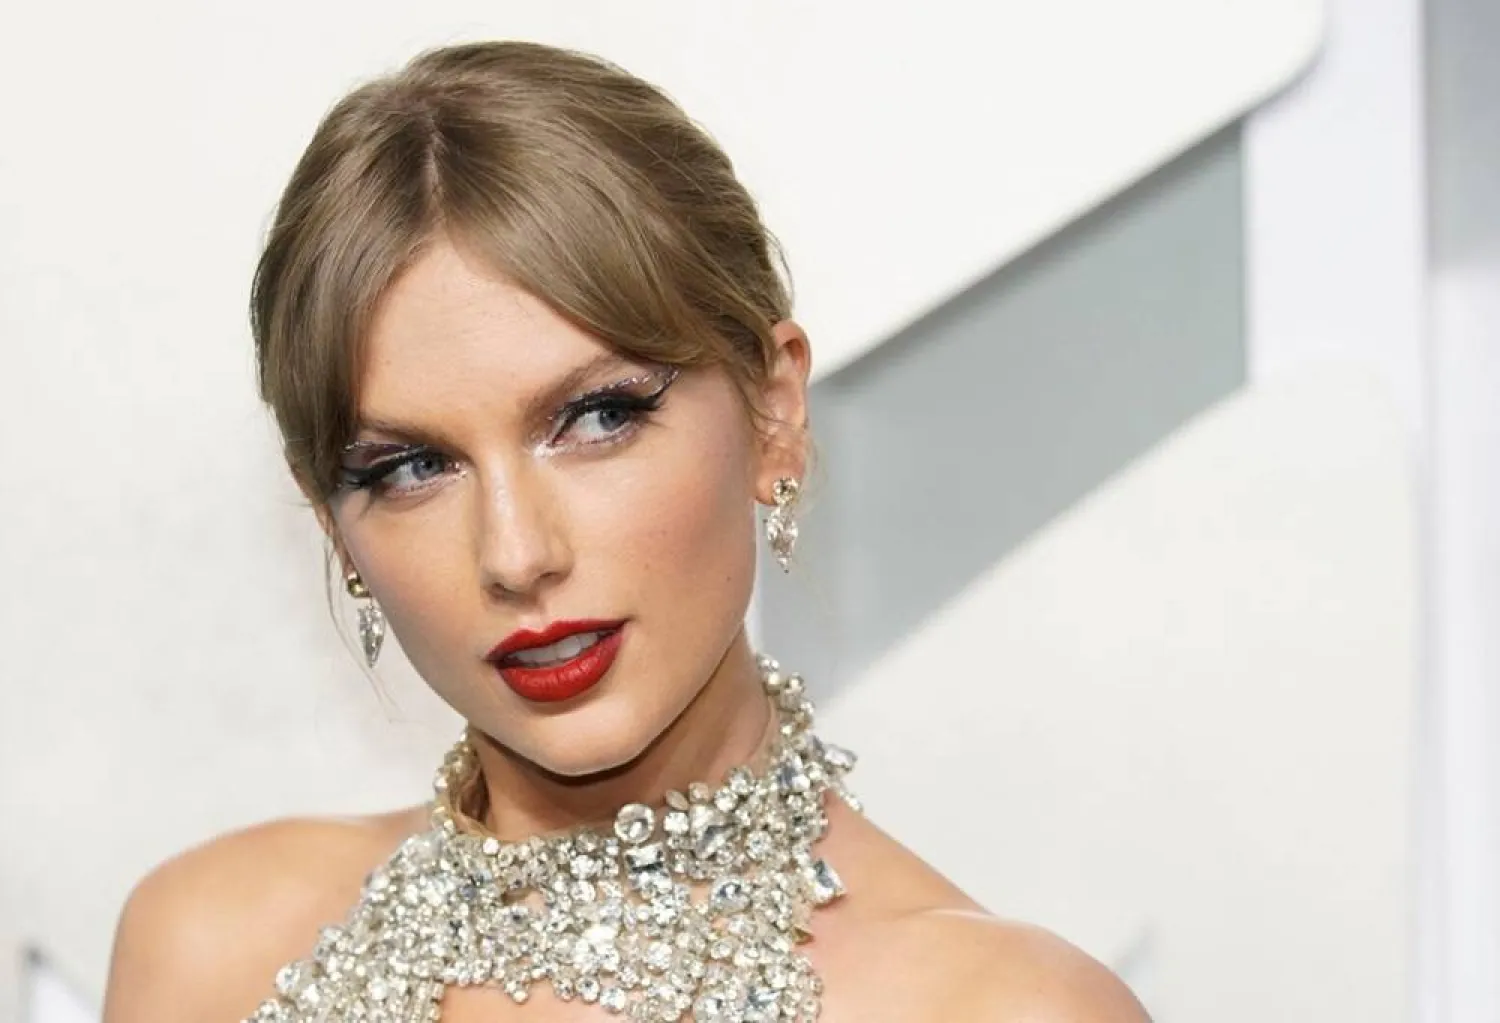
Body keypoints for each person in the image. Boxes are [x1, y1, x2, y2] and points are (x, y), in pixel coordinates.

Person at [100, 39, 1149, 1023]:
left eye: (598, 417)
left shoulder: (1001, 1005)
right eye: (412, 468)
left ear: (773, 412)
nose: (517, 555)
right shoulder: (211, 951)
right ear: (335, 525)